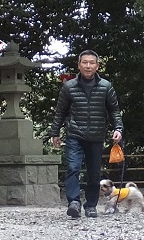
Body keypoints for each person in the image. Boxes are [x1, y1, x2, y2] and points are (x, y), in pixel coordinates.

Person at [49, 49, 123, 218]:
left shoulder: (106, 86)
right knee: (73, 168)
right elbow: (60, 112)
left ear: (97, 66)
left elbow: (114, 111)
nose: (88, 66)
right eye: (85, 62)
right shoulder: (69, 86)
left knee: (94, 173)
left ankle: (90, 205)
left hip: (97, 135)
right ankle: (73, 202)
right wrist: (55, 132)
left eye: (91, 63)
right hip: (75, 134)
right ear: (79, 65)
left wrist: (118, 129)